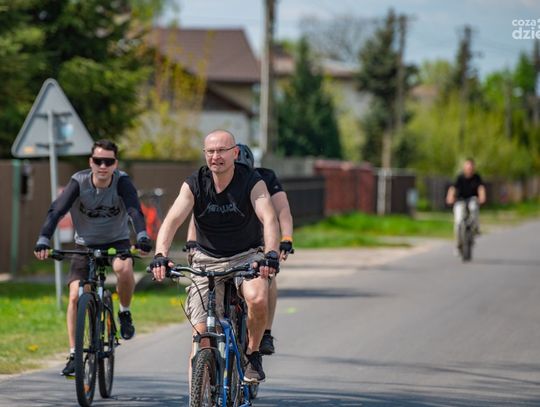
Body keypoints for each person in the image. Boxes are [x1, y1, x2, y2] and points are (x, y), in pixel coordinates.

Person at [149, 130, 280, 383]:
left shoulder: (251, 180)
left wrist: (271, 254)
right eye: (210, 151)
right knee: (201, 334)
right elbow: (172, 219)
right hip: (206, 259)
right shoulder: (196, 182)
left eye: (221, 151)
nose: (215, 156)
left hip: (246, 255)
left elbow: (269, 218)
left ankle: (252, 354)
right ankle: (198, 394)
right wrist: (160, 254)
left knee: (257, 297)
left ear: (235, 153)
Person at [33, 140, 152, 376]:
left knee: (124, 269)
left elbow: (134, 210)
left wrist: (142, 236)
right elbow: (57, 210)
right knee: (75, 296)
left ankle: (124, 312)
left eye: (108, 161)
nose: (103, 166)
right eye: (98, 161)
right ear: (91, 162)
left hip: (117, 241)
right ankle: (74, 355)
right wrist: (44, 239)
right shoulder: (79, 182)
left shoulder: (122, 181)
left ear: (115, 164)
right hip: (85, 244)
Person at [184, 143, 294, 356]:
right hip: (223, 243)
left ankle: (265, 332)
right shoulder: (211, 182)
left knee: (267, 275)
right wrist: (191, 242)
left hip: (258, 239)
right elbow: (199, 216)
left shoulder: (262, 178)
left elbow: (282, 211)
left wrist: (286, 239)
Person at [445, 158, 486, 250]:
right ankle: (458, 243)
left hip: (472, 199)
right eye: (467, 167)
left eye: (471, 167)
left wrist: (482, 197)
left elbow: (481, 188)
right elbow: (453, 188)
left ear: (473, 168)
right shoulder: (460, 177)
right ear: (464, 168)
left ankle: (475, 228)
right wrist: (450, 197)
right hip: (460, 200)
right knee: (458, 221)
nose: (469, 169)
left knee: (474, 208)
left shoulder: (477, 177)